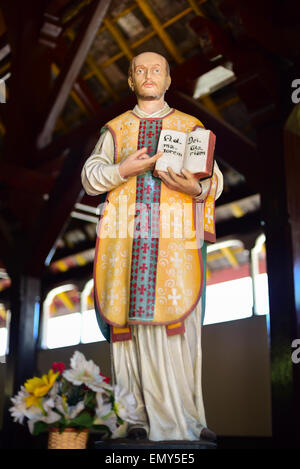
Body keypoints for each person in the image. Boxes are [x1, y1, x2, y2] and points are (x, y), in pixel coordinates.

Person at [81, 52, 223, 442]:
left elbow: (214, 180)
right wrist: (121, 170)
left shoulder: (189, 126)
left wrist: (194, 188)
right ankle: (136, 419)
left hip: (174, 248)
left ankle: (184, 421)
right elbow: (91, 176)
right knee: (130, 330)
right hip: (127, 246)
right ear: (130, 81)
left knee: (177, 331)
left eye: (155, 70)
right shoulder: (115, 130)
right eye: (140, 70)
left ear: (167, 80)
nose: (148, 75)